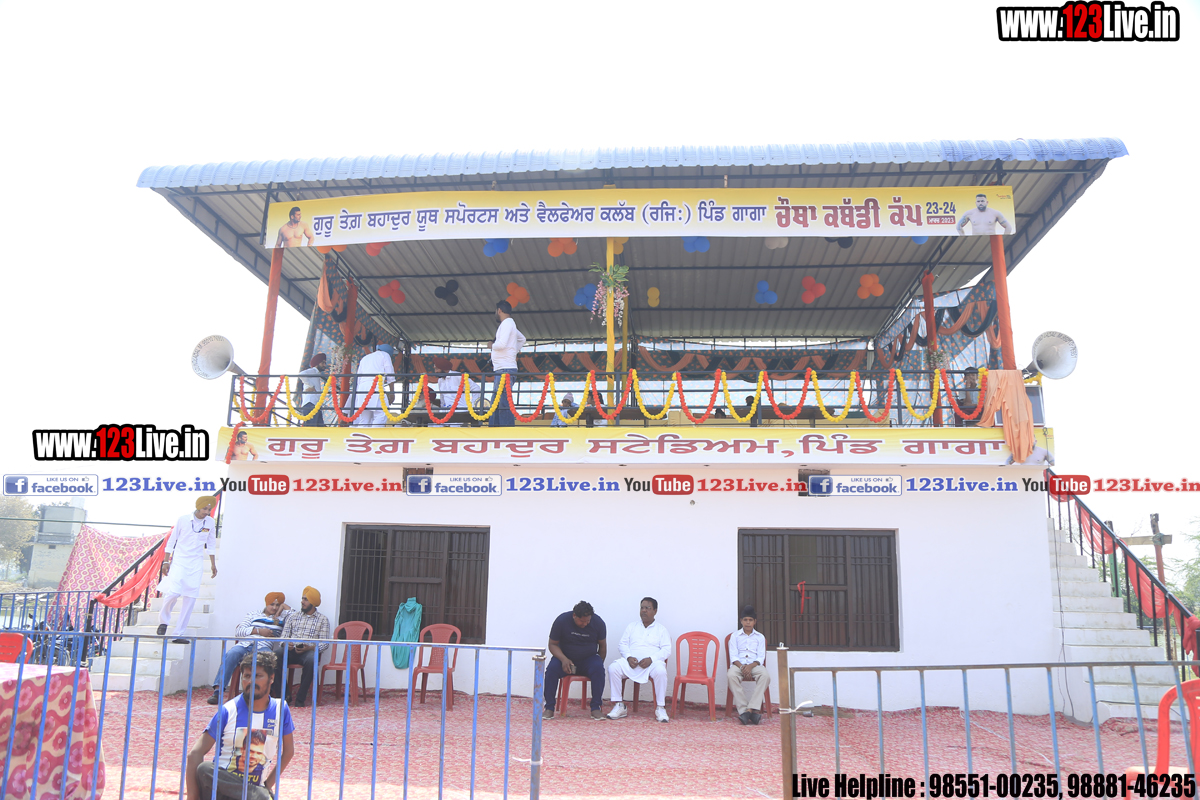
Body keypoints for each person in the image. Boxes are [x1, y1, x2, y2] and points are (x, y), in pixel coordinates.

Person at [186, 650, 294, 800]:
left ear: (271, 678)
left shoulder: (280, 709)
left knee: (259, 795)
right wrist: (193, 797)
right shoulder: (228, 710)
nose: (251, 681)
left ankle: (257, 794)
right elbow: (194, 754)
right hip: (221, 792)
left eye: (258, 676)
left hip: (255, 794)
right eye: (247, 676)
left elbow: (289, 751)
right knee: (205, 769)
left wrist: (267, 786)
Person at [207, 592, 293, 705]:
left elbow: (296, 617)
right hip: (245, 644)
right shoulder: (253, 614)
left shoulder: (282, 618)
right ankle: (218, 692)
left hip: (263, 646)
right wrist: (258, 631)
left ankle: (264, 693)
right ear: (266, 603)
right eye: (272, 604)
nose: (274, 608)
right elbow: (239, 631)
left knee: (270, 660)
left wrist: (284, 606)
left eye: (278, 605)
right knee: (231, 654)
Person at [158, 497, 218, 644]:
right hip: (180, 561)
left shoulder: (210, 522)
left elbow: (211, 544)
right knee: (173, 592)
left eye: (209, 509)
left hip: (196, 563)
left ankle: (178, 633)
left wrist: (213, 564)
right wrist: (166, 561)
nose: (207, 512)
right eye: (204, 509)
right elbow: (171, 541)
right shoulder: (183, 519)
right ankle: (163, 622)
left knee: (190, 598)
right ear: (198, 507)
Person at [607, 597, 672, 722]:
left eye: (648, 608)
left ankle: (660, 707)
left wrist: (651, 659)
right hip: (632, 663)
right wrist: (628, 657)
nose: (644, 611)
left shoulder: (661, 630)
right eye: (642, 608)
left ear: (655, 611)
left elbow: (666, 650)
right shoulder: (632, 626)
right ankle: (619, 705)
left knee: (661, 671)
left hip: (651, 665)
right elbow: (622, 644)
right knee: (613, 668)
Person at [543, 601, 607, 721]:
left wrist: (598, 664)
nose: (585, 624)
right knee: (551, 670)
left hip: (588, 659)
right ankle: (549, 707)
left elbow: (602, 646)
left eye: (588, 621)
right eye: (582, 621)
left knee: (598, 669)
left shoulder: (598, 623)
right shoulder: (562, 621)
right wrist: (564, 659)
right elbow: (552, 644)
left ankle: (595, 707)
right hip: (564, 658)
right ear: (574, 616)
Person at [280, 586, 330, 708]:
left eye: (306, 599)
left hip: (308, 651)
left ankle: (300, 698)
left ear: (313, 602)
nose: (302, 602)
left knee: (312, 659)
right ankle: (285, 695)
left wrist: (310, 648)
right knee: (274, 657)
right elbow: (283, 638)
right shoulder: (293, 617)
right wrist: (287, 644)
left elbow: (324, 643)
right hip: (291, 650)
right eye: (302, 599)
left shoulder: (323, 620)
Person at [727, 606, 770, 725]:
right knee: (731, 675)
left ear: (754, 621)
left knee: (765, 676)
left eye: (750, 620)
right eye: (745, 620)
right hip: (738, 666)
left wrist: (750, 667)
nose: (748, 622)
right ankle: (744, 710)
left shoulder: (760, 637)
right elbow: (733, 656)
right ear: (741, 621)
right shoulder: (735, 636)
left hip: (754, 666)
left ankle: (749, 709)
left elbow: (760, 657)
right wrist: (742, 667)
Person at [488, 301, 526, 428]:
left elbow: (501, 344)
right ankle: (496, 428)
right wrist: (513, 351)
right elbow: (522, 339)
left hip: (504, 369)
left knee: (502, 401)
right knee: (498, 401)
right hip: (503, 368)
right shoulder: (510, 324)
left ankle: (505, 429)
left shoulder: (507, 323)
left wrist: (491, 345)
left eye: (496, 311)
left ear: (499, 310)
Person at [349, 344, 397, 428]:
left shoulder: (365, 358)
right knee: (381, 414)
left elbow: (358, 378)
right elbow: (390, 375)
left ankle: (362, 435)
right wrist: (392, 393)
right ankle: (375, 434)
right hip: (375, 386)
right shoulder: (385, 355)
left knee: (365, 418)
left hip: (362, 389)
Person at [434, 356, 480, 424]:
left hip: (460, 411)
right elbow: (442, 396)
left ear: (444, 368)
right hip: (445, 411)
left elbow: (476, 388)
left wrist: (473, 406)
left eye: (437, 369)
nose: (435, 371)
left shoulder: (458, 376)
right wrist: (442, 408)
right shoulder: (440, 380)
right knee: (434, 425)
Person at [296, 353, 329, 427]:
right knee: (312, 428)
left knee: (320, 429)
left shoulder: (317, 373)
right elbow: (301, 374)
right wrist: (311, 386)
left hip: (315, 405)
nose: (324, 365)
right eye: (323, 363)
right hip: (310, 404)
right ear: (317, 363)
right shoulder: (313, 370)